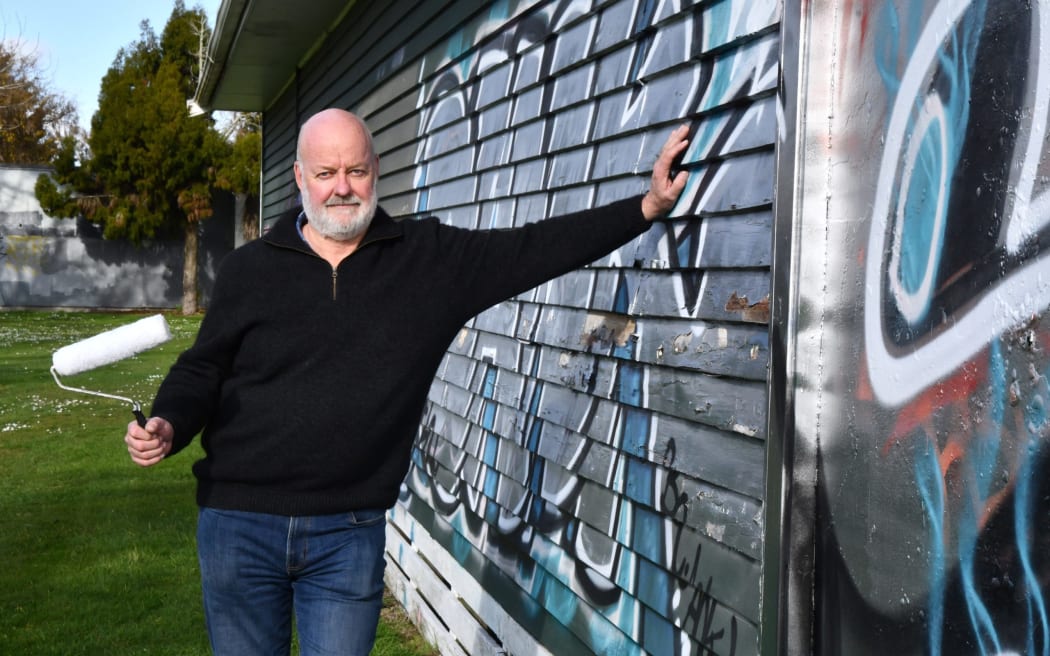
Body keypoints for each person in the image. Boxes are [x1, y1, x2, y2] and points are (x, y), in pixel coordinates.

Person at [124, 107, 690, 655]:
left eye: (356, 170)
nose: (341, 188)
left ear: (376, 171)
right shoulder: (251, 269)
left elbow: (534, 247)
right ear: (300, 177)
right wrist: (170, 420)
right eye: (325, 174)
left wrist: (644, 206)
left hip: (345, 534)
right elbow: (204, 366)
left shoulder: (430, 261)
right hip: (238, 526)